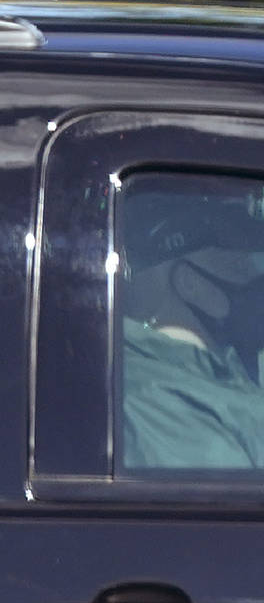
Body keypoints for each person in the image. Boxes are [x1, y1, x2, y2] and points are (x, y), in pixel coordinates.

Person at [120, 183, 264, 468]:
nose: (256, 280)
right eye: (239, 267)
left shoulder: (219, 370)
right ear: (190, 284)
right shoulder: (158, 403)